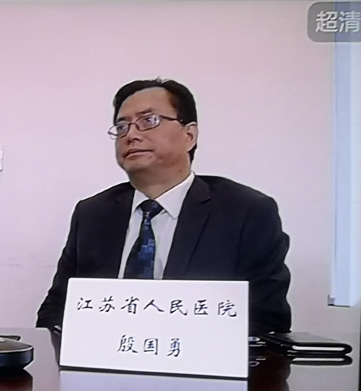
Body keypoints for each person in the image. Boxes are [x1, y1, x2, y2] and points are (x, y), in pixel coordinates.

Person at [36, 78, 291, 334]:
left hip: (199, 357)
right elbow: (57, 309)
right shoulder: (92, 214)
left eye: (148, 121)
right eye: (122, 127)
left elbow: (266, 321)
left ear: (189, 135)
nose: (131, 135)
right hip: (101, 356)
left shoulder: (246, 212)